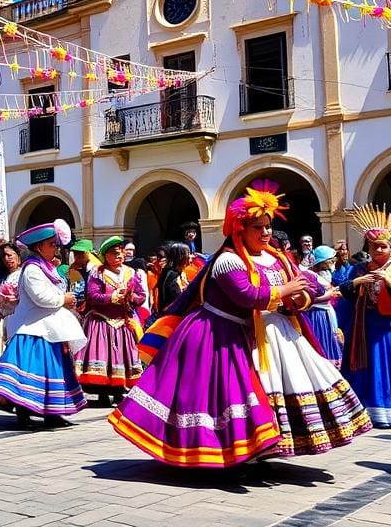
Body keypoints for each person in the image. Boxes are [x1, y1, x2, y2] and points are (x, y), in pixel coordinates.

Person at [111, 180, 370, 467]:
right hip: (218, 334)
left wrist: (299, 300)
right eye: (257, 227)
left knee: (271, 390)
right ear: (240, 230)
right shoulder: (227, 261)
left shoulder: (277, 258)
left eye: (267, 226)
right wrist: (285, 292)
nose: (265, 232)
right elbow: (248, 295)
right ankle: (227, 454)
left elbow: (311, 287)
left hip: (271, 337)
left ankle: (264, 448)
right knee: (224, 396)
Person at [0, 220, 87, 429]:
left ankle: (53, 413)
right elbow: (41, 297)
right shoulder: (33, 269)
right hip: (34, 329)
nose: (55, 247)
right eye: (51, 244)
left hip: (49, 329)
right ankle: (24, 414)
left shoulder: (47, 268)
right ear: (38, 247)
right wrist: (64, 299)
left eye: (55, 244)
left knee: (53, 372)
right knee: (29, 374)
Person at [337, 205, 391, 427]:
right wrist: (356, 283)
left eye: (383, 247)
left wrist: (388, 280)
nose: (378, 251)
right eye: (374, 247)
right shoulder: (360, 269)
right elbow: (344, 290)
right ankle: (370, 411)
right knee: (368, 367)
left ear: (390, 247)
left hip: (390, 325)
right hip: (365, 326)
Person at [73, 237, 145, 403]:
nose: (118, 255)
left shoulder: (131, 272)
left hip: (123, 321)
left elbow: (141, 295)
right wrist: (112, 297)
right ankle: (102, 392)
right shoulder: (98, 272)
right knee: (103, 356)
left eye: (120, 251)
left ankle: (120, 390)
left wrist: (130, 297)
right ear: (105, 255)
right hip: (102, 321)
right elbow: (92, 296)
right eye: (113, 252)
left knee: (122, 356)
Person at [302, 245, 344, 367]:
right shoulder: (309, 275)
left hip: (326, 312)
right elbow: (310, 298)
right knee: (322, 342)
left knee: (333, 338)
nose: (333, 262)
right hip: (317, 314)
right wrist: (331, 293)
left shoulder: (325, 273)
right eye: (330, 260)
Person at [0, 242, 25, 360]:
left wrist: (17, 299)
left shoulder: (24, 274)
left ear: (18, 256)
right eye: (3, 256)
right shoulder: (3, 277)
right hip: (5, 320)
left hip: (20, 320)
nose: (6, 259)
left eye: (10, 255)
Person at [154, 242, 191, 316]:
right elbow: (175, 298)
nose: (190, 256)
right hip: (171, 316)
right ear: (181, 257)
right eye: (188, 253)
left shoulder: (178, 272)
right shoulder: (171, 275)